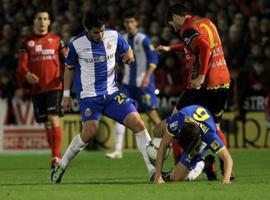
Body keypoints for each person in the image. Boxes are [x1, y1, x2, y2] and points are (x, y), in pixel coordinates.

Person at [50, 8, 155, 184]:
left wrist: (129, 56)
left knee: (138, 123)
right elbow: (69, 69)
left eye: (102, 30)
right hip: (89, 96)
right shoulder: (76, 44)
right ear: (86, 29)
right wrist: (66, 95)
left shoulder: (114, 36)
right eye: (95, 32)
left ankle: (153, 170)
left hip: (112, 93)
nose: (100, 35)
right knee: (90, 132)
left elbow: (127, 51)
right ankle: (62, 164)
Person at [155, 4, 231, 178]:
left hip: (203, 84)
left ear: (175, 17)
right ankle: (226, 168)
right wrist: (170, 48)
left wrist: (202, 76)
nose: (172, 28)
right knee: (215, 126)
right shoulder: (206, 23)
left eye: (171, 24)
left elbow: (203, 47)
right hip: (223, 79)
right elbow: (193, 45)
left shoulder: (187, 29)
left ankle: (178, 170)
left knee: (176, 122)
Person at [106, 10, 161, 159]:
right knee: (121, 112)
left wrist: (147, 77)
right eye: (126, 22)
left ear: (136, 23)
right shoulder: (122, 38)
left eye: (131, 22)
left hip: (144, 84)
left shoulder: (144, 39)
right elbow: (116, 59)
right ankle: (118, 150)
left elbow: (154, 60)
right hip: (127, 85)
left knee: (152, 115)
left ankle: (165, 143)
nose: (129, 25)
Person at [17, 7, 66, 168]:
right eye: (39, 18)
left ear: (49, 22)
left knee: (53, 117)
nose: (42, 21)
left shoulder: (57, 40)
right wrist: (26, 74)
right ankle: (56, 155)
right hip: (38, 89)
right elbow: (22, 66)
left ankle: (56, 157)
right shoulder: (28, 42)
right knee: (46, 123)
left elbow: (67, 59)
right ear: (34, 22)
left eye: (45, 18)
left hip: (54, 85)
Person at [153, 105, 233, 184]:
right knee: (157, 130)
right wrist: (158, 176)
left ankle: (203, 163)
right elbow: (163, 146)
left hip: (200, 138)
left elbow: (228, 158)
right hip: (185, 115)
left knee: (177, 178)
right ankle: (199, 164)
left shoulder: (209, 135)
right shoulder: (177, 121)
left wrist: (226, 179)